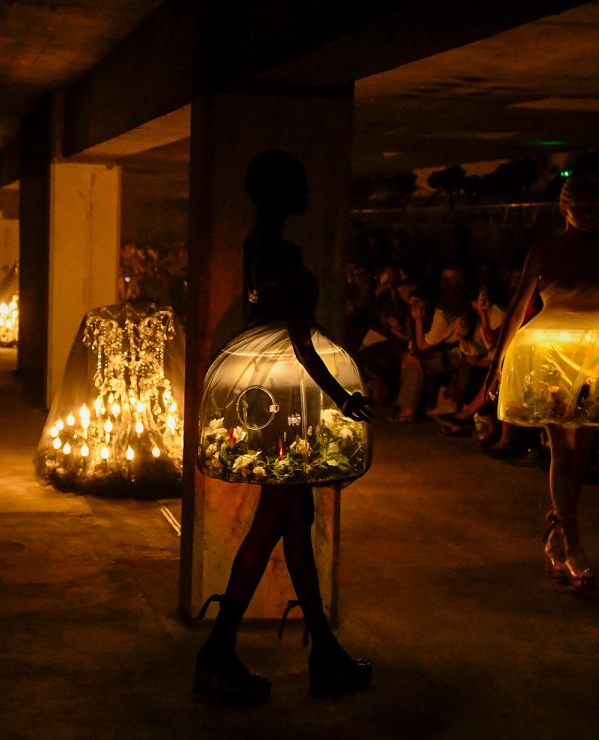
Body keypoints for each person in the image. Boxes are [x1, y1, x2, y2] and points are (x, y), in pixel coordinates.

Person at [194, 151, 373, 702]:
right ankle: (221, 653)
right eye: (300, 185)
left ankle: (321, 649)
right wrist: (343, 396)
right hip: (289, 393)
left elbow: (263, 323)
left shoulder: (255, 244)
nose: (308, 194)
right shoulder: (285, 252)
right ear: (283, 193)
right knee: (278, 519)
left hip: (266, 387)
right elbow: (298, 337)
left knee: (293, 520)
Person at [486, 176, 599, 590]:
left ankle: (558, 534)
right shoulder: (544, 252)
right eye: (580, 207)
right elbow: (516, 310)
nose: (588, 215)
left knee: (581, 451)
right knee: (561, 451)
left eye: (594, 208)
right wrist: (496, 366)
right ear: (564, 209)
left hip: (594, 354)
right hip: (548, 354)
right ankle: (574, 543)